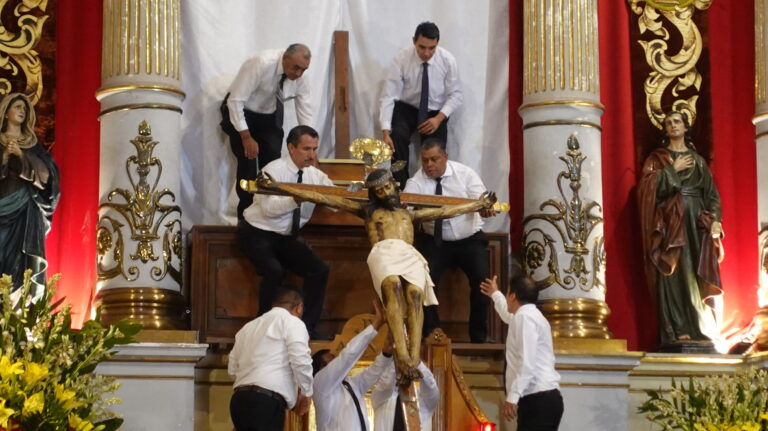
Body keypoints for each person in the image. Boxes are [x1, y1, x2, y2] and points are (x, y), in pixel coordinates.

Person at [255, 167, 495, 385]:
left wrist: (476, 204)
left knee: (414, 295)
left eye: (387, 187)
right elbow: (322, 197)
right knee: (392, 286)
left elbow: (445, 210)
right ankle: (401, 354)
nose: (384, 192)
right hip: (382, 251)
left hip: (408, 253)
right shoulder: (368, 211)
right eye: (379, 191)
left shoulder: (408, 215)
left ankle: (413, 356)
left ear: (394, 185)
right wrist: (277, 187)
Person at [238, 125, 333, 339]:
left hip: (284, 238)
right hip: (257, 232)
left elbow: (334, 200)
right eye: (306, 149)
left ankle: (305, 329)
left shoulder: (315, 175)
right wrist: (296, 198)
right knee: (274, 270)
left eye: (315, 149)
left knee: (319, 270)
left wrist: (338, 196)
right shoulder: (272, 171)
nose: (312, 155)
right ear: (291, 148)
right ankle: (262, 327)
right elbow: (268, 209)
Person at [638, 111, 723, 345]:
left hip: (696, 222)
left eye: (677, 122)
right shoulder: (657, 159)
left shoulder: (698, 161)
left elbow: (712, 195)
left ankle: (702, 326)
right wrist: (671, 170)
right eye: (668, 123)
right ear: (665, 130)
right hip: (671, 222)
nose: (673, 125)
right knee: (675, 271)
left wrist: (715, 219)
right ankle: (678, 327)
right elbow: (646, 190)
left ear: (686, 127)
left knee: (697, 270)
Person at [404, 138, 496, 342]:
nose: (429, 165)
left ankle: (479, 339)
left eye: (434, 159)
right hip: (435, 241)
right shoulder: (415, 182)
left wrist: (486, 208)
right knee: (424, 284)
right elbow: (406, 213)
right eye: (425, 160)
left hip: (469, 239)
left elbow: (482, 200)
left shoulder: (465, 174)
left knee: (483, 283)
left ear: (445, 157)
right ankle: (432, 335)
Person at [221, 43, 313, 219]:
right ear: (285, 58)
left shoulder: (302, 76)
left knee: (272, 164)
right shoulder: (261, 62)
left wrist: (310, 147)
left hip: (268, 114)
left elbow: (305, 110)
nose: (299, 74)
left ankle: (267, 213)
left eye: (304, 69)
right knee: (248, 161)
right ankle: (245, 216)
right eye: (296, 68)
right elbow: (235, 101)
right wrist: (246, 136)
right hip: (241, 110)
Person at [379, 22, 462, 188]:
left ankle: (432, 191)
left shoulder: (447, 60)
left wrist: (438, 119)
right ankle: (401, 189)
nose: (426, 53)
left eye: (432, 48)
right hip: (407, 108)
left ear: (437, 43)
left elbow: (456, 95)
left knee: (435, 150)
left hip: (435, 112)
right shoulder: (401, 59)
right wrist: (386, 132)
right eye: (422, 47)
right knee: (398, 139)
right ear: (414, 41)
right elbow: (389, 95)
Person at [480, 275, 563, 430]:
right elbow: (507, 315)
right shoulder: (528, 315)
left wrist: (512, 397)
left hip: (538, 399)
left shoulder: (525, 317)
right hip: (541, 399)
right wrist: (495, 294)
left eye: (507, 293)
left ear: (513, 296)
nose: (506, 296)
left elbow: (527, 362)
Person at [228, 286, 313, 431]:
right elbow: (300, 359)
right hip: (266, 402)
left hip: (239, 400)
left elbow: (232, 369)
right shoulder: (292, 322)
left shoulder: (248, 327)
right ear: (299, 308)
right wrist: (306, 392)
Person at [0, 93, 59, 299]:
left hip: (26, 208)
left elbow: (49, 176)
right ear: (6, 112)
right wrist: (5, 157)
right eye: (17, 107)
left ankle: (19, 312)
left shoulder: (33, 146)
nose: (22, 111)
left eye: (24, 108)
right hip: (2, 206)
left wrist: (21, 155)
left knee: (22, 260)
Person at [312, 300, 392, 431]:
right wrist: (375, 325)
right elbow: (348, 356)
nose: (336, 363)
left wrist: (386, 354)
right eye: (332, 361)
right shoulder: (320, 384)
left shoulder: (350, 384)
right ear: (321, 369)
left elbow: (373, 372)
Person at [371, 359, 438, 431]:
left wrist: (418, 365)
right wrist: (397, 363)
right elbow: (385, 384)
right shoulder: (381, 398)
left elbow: (431, 387)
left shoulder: (424, 400)